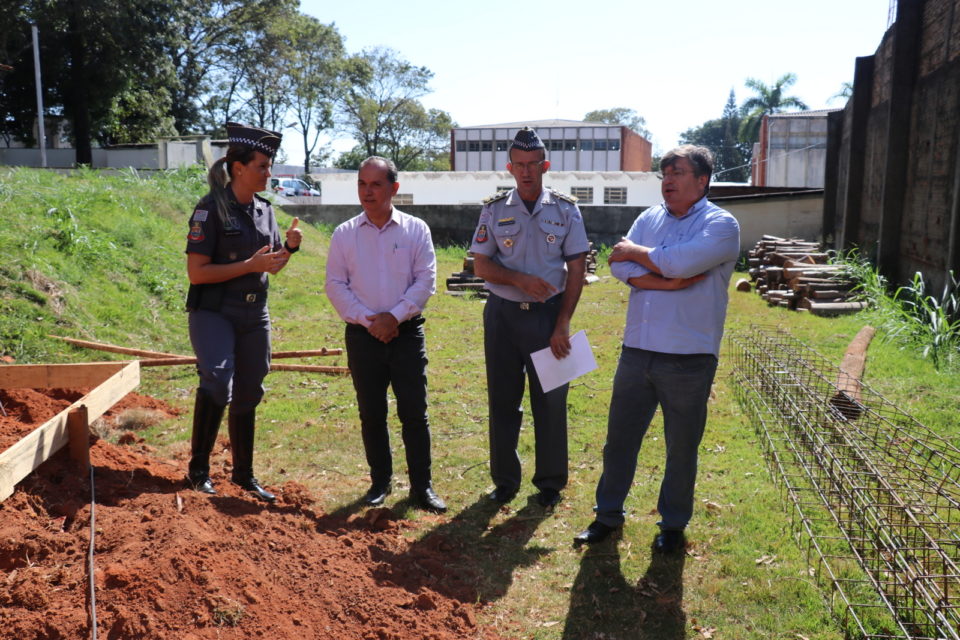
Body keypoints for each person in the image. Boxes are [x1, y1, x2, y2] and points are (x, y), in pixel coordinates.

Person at [573, 144, 740, 552]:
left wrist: (643, 257)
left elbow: (680, 262)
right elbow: (618, 264)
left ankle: (672, 525)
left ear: (702, 181)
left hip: (688, 357)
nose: (667, 181)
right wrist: (663, 278)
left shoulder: (721, 225)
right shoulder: (650, 217)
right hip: (638, 350)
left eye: (678, 173)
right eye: (664, 173)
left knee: (680, 447)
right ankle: (607, 515)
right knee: (619, 441)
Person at [469, 127, 590, 508]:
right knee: (503, 401)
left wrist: (563, 323)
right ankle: (505, 481)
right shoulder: (494, 208)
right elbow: (481, 265)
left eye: (532, 165)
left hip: (548, 317)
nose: (525, 172)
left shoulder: (566, 210)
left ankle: (550, 484)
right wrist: (517, 278)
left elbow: (577, 268)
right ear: (509, 167)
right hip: (503, 317)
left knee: (551, 402)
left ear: (545, 166)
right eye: (518, 165)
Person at [184, 122, 302, 503]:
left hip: (255, 314)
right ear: (239, 168)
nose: (269, 173)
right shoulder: (209, 209)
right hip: (215, 311)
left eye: (269, 166)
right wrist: (249, 266)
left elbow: (268, 264)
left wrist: (288, 249)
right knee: (218, 382)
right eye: (262, 166)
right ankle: (198, 470)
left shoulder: (265, 211)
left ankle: (244, 476)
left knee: (251, 389)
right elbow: (197, 273)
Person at [325, 156, 446, 513]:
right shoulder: (345, 234)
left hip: (406, 335)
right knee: (371, 413)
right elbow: (335, 285)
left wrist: (393, 318)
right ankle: (380, 482)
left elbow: (426, 281)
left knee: (414, 413)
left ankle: (422, 487)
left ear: (394, 188)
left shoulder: (415, 230)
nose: (367, 191)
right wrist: (370, 321)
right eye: (362, 184)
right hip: (363, 337)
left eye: (376, 185)